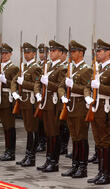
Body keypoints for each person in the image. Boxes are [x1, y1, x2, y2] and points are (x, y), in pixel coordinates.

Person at [58, 40, 91, 178]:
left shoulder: (88, 70)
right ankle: (75, 165)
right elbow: (61, 86)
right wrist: (63, 97)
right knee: (74, 137)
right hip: (70, 105)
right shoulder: (70, 69)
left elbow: (88, 89)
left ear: (81, 53)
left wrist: (73, 87)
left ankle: (82, 168)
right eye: (70, 52)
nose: (71, 54)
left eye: (73, 52)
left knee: (81, 137)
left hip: (80, 105)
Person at [34, 40, 67, 172]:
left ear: (60, 53)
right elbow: (38, 82)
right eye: (51, 51)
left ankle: (54, 162)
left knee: (54, 133)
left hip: (54, 104)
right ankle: (48, 159)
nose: (51, 53)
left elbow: (61, 86)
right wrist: (37, 93)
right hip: (45, 102)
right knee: (48, 133)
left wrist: (48, 83)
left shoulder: (62, 68)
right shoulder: (46, 66)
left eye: (54, 51)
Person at [84, 39, 110, 185]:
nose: (97, 53)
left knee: (106, 141)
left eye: (100, 51)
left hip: (106, 110)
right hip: (94, 108)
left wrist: (100, 87)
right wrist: (87, 96)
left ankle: (106, 174)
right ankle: (101, 172)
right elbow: (87, 86)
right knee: (98, 141)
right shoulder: (97, 69)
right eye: (97, 51)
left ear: (108, 52)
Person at [11, 42, 41, 166]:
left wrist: (24, 83)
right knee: (28, 129)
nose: (26, 55)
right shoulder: (23, 67)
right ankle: (27, 155)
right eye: (25, 53)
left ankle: (31, 157)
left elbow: (37, 85)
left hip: (31, 101)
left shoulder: (36, 67)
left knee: (32, 129)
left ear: (34, 54)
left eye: (29, 52)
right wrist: (14, 92)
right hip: (23, 101)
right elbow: (14, 80)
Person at [0, 43, 19, 161]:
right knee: (5, 126)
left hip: (7, 98)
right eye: (3, 53)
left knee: (9, 126)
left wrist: (5, 80)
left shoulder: (13, 68)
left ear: (11, 54)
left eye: (6, 53)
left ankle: (10, 152)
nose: (4, 55)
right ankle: (7, 151)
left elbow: (14, 83)